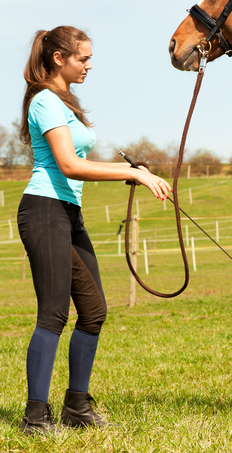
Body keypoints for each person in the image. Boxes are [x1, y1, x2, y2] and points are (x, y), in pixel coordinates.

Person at [17, 26, 172, 435]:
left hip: (67, 213)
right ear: (58, 58)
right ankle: (35, 417)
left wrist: (128, 170)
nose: (89, 65)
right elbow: (68, 165)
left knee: (94, 311)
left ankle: (76, 407)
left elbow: (78, 161)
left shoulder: (65, 102)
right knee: (53, 314)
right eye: (82, 58)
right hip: (44, 210)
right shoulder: (45, 101)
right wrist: (130, 173)